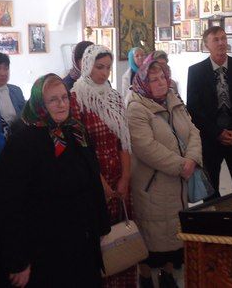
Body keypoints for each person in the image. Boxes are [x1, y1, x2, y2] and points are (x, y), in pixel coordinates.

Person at [0, 74, 110, 287]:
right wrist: (18, 260)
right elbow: (10, 204)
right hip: (45, 248)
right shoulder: (23, 141)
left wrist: (101, 227)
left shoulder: (76, 131)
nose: (61, 104)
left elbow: (93, 181)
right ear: (39, 103)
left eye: (64, 97)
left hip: (82, 242)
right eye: (53, 100)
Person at [127, 55, 202, 288]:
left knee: (173, 238)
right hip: (154, 186)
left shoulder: (173, 99)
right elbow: (146, 147)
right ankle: (147, 278)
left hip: (178, 185)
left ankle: (168, 276)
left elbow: (193, 131)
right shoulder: (136, 108)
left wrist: (192, 159)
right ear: (143, 82)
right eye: (153, 79)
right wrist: (182, 165)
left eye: (162, 77)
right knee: (154, 239)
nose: (160, 82)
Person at [70, 45, 136, 287]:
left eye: (108, 68)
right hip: (93, 179)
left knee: (124, 236)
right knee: (103, 240)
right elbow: (80, 150)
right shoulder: (77, 99)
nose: (104, 73)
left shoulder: (114, 97)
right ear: (87, 66)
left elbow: (124, 141)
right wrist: (102, 185)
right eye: (99, 67)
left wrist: (125, 178)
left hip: (119, 175)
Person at [187, 26, 232, 194]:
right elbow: (194, 108)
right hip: (210, 140)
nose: (221, 43)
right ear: (206, 45)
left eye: (223, 38)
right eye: (216, 40)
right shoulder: (196, 71)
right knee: (210, 190)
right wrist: (217, 133)